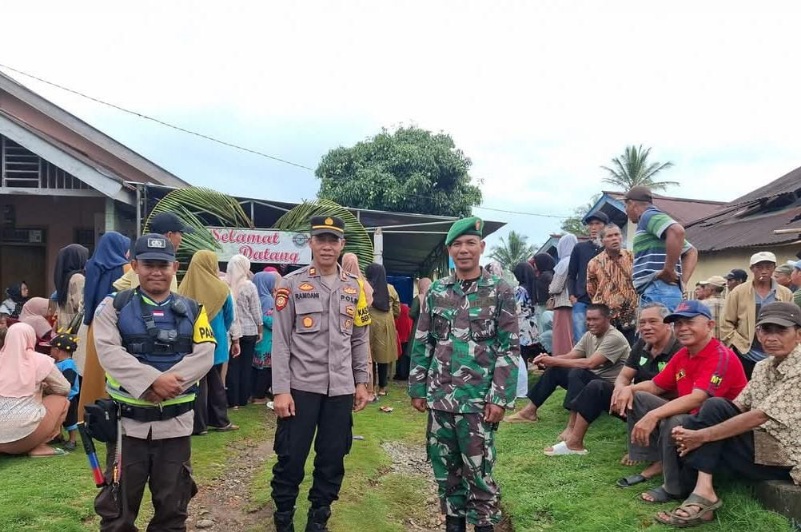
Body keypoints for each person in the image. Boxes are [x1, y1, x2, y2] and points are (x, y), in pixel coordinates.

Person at [92, 233, 215, 530]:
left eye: (163, 264)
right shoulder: (114, 306)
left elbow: (205, 353)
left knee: (173, 511)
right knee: (117, 512)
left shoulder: (194, 309)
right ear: (134, 265)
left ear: (175, 267)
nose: (156, 271)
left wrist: (169, 383)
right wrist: (151, 382)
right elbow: (108, 351)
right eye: (148, 264)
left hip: (175, 427)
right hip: (127, 428)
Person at [409, 216, 519, 532]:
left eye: (470, 243)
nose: (464, 250)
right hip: (440, 400)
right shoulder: (437, 292)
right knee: (446, 474)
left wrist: (500, 398)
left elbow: (508, 349)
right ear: (449, 250)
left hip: (477, 402)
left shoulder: (500, 291)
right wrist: (417, 387)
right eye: (457, 244)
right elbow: (423, 341)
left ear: (481, 247)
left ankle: (483, 525)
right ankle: (453, 525)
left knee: (480, 475)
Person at [656, 302, 801, 527]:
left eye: (781, 330)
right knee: (712, 409)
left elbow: (759, 416)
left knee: (706, 421)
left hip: (786, 456)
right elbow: (737, 406)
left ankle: (694, 493)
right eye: (765, 330)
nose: (771, 337)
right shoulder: (763, 366)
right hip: (759, 444)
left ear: (799, 334)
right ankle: (703, 490)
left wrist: (701, 435)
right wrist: (696, 429)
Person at [270, 215, 371, 532]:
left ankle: (319, 517)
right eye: (321, 239)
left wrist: (362, 382)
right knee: (291, 457)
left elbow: (359, 338)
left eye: (333, 240)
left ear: (342, 245)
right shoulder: (290, 285)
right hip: (301, 388)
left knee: (332, 458)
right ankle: (284, 516)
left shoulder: (354, 288)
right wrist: (280, 390)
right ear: (311, 243)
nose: (327, 246)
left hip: (340, 389)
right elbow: (282, 341)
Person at [611, 300, 747, 503]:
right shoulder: (684, 354)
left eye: (689, 322)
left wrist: (653, 414)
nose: (682, 328)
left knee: (674, 420)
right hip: (693, 416)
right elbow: (656, 385)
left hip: (723, 427)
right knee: (638, 397)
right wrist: (628, 388)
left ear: (710, 325)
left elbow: (698, 398)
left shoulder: (719, 356)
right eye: (678, 324)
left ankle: (674, 487)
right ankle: (652, 458)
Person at [549, 304, 680, 460]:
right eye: (642, 322)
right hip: (634, 399)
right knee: (597, 387)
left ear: (667, 324)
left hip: (667, 406)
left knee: (638, 396)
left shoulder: (679, 349)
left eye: (653, 321)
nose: (646, 327)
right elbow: (624, 376)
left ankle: (640, 450)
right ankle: (574, 443)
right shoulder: (641, 345)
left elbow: (663, 387)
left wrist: (629, 391)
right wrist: (619, 389)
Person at [507, 304, 629, 432]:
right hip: (592, 382)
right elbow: (571, 356)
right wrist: (549, 360)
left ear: (608, 319)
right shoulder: (589, 335)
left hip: (608, 390)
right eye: (588, 319)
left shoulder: (614, 337)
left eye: (595, 319)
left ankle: (572, 426)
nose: (590, 323)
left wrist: (553, 360)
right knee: (557, 368)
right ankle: (529, 412)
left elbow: (591, 363)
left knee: (578, 372)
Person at [178, 250, 239, 434]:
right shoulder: (221, 289)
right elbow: (229, 316)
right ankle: (220, 421)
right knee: (215, 383)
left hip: (191, 341)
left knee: (196, 383)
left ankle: (198, 425)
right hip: (215, 340)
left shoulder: (184, 288)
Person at [78, 231, 131, 421]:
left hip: (95, 322)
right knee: (117, 368)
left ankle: (89, 414)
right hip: (119, 324)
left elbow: (88, 298)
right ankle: (114, 413)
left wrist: (89, 319)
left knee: (93, 371)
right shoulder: (126, 269)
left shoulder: (91, 266)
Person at [0, 323, 71, 457]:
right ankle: (40, 446)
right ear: (31, 338)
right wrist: (43, 387)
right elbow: (64, 388)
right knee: (62, 400)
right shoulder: (40, 360)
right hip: (25, 439)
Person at [720, 251, 794, 379]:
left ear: (774, 269)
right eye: (759, 267)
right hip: (746, 354)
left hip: (777, 354)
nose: (764, 271)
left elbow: (792, 322)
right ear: (752, 269)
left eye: (768, 267)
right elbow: (726, 322)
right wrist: (737, 344)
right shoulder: (739, 292)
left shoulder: (785, 293)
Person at [623, 186, 698, 311]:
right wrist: (682, 283)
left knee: (658, 329)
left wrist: (668, 270)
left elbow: (677, 231)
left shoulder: (648, 216)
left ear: (631, 204)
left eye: (625, 206)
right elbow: (691, 251)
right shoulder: (653, 226)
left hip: (659, 290)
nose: (626, 211)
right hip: (659, 290)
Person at [113, 212, 193, 292]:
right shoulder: (163, 265)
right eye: (181, 234)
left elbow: (120, 285)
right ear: (169, 235)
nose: (181, 240)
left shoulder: (142, 261)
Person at [586, 223, 638, 344]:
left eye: (616, 234)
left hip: (629, 313)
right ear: (602, 240)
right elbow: (591, 290)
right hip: (606, 315)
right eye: (609, 236)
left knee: (629, 348)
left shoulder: (632, 257)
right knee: (607, 350)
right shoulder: (594, 263)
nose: (614, 238)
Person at [225, 254, 263, 408]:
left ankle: (231, 399)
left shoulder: (225, 284)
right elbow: (256, 310)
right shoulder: (249, 286)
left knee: (232, 366)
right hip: (249, 330)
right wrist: (260, 329)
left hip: (232, 331)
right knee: (246, 366)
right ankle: (242, 398)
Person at [567, 212, 608, 339]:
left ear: (605, 226)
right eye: (591, 224)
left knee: (604, 337)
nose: (594, 227)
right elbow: (571, 274)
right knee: (581, 338)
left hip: (604, 301)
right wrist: (572, 295)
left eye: (597, 224)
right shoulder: (580, 248)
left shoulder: (609, 249)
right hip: (581, 300)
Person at [365, 263, 400, 396]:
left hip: (368, 323)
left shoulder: (364, 287)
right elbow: (397, 309)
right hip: (385, 324)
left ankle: (371, 385)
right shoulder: (390, 288)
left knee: (370, 356)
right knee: (383, 356)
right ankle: (383, 387)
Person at [48, 332, 81, 451]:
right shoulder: (57, 363)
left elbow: (69, 381)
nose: (50, 351)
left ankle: (72, 440)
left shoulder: (68, 364)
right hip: (58, 397)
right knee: (58, 418)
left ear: (57, 350)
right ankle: (58, 435)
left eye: (51, 348)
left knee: (70, 421)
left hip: (69, 398)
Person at [252, 271, 278, 405]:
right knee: (266, 368)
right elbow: (272, 321)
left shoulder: (255, 296)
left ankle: (254, 393)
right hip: (267, 338)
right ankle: (259, 395)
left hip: (257, 337)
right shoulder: (268, 300)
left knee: (257, 367)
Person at [549, 234, 576, 356]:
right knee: (573, 335)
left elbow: (556, 287)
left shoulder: (564, 263)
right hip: (575, 303)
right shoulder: (577, 260)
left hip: (562, 304)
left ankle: (562, 361)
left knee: (562, 337)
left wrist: (549, 288)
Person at [53, 243, 89, 331]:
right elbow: (81, 305)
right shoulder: (78, 278)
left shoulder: (63, 278)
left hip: (64, 328)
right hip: (75, 330)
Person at [697, 275, 726, 340]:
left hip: (708, 342)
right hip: (725, 343)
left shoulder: (701, 304)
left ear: (711, 289)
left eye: (706, 286)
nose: (704, 288)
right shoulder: (728, 303)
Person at [393, 302, 414, 380]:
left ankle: (401, 373)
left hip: (400, 334)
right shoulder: (407, 309)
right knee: (405, 355)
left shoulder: (397, 309)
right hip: (408, 333)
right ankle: (404, 373)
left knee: (400, 355)